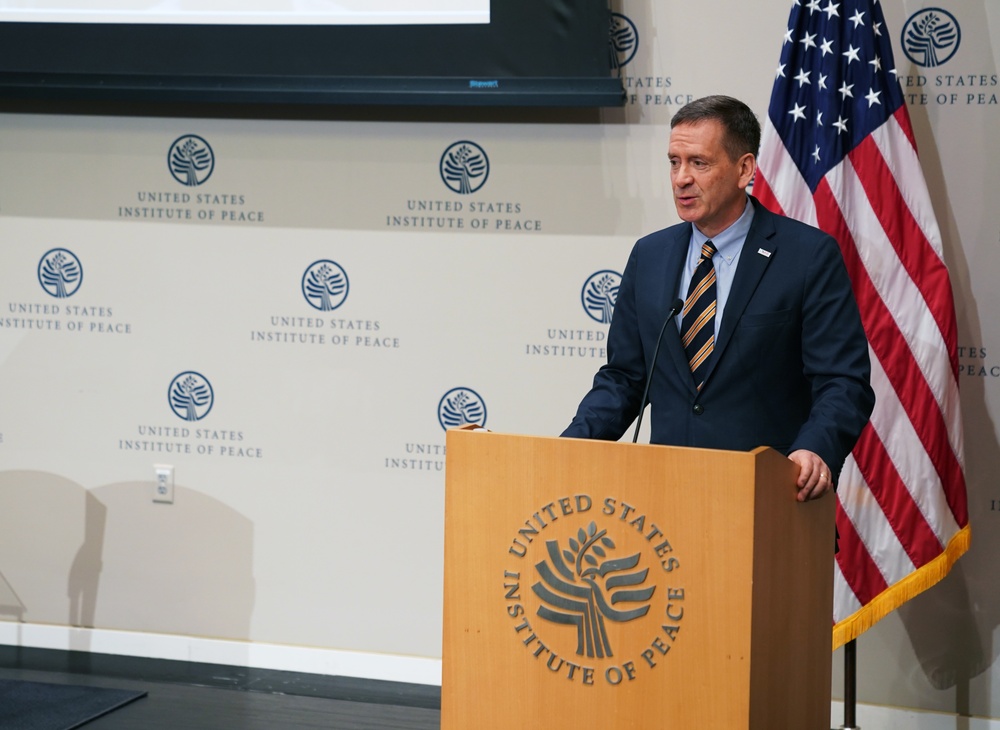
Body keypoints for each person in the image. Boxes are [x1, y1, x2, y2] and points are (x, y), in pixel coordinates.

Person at [562, 95, 874, 503]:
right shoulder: (650, 256)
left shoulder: (807, 256)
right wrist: (568, 448)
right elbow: (625, 379)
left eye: (699, 163)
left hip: (769, 502)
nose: (680, 178)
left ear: (744, 168)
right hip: (665, 505)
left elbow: (842, 380)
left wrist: (816, 447)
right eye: (674, 162)